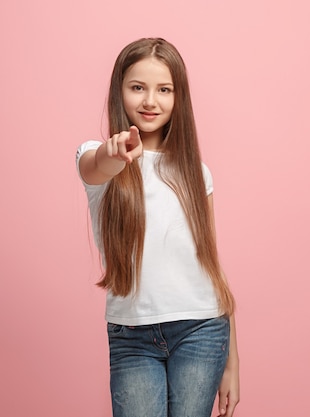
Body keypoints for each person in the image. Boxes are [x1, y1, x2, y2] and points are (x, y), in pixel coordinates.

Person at [75, 38, 240, 417]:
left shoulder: (196, 174)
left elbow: (211, 267)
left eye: (164, 90)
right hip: (132, 337)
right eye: (138, 88)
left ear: (178, 97)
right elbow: (96, 165)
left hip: (202, 330)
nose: (151, 101)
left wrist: (232, 363)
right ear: (119, 91)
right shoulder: (96, 155)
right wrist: (114, 154)